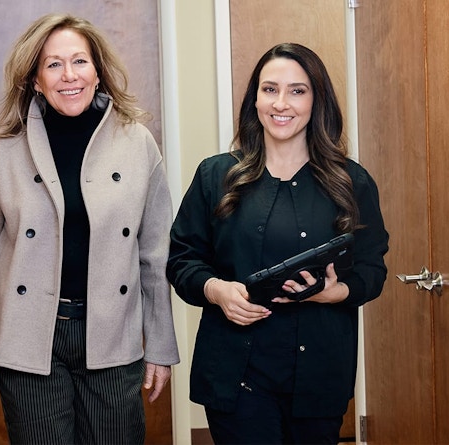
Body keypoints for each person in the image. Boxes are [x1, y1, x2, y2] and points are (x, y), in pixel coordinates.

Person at [0, 14, 179, 444]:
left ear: (98, 72)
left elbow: (155, 254)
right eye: (53, 65)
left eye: (79, 61)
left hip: (112, 333)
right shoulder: (1, 149)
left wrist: (161, 347)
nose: (69, 75)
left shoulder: (137, 144)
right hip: (28, 335)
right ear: (35, 80)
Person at [167, 42, 389, 444]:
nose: (281, 103)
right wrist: (216, 290)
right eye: (269, 89)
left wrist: (336, 292)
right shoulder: (215, 176)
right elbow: (182, 261)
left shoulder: (351, 182)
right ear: (255, 99)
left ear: (316, 100)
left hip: (319, 378)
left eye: (297, 91)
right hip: (236, 377)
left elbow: (372, 270)